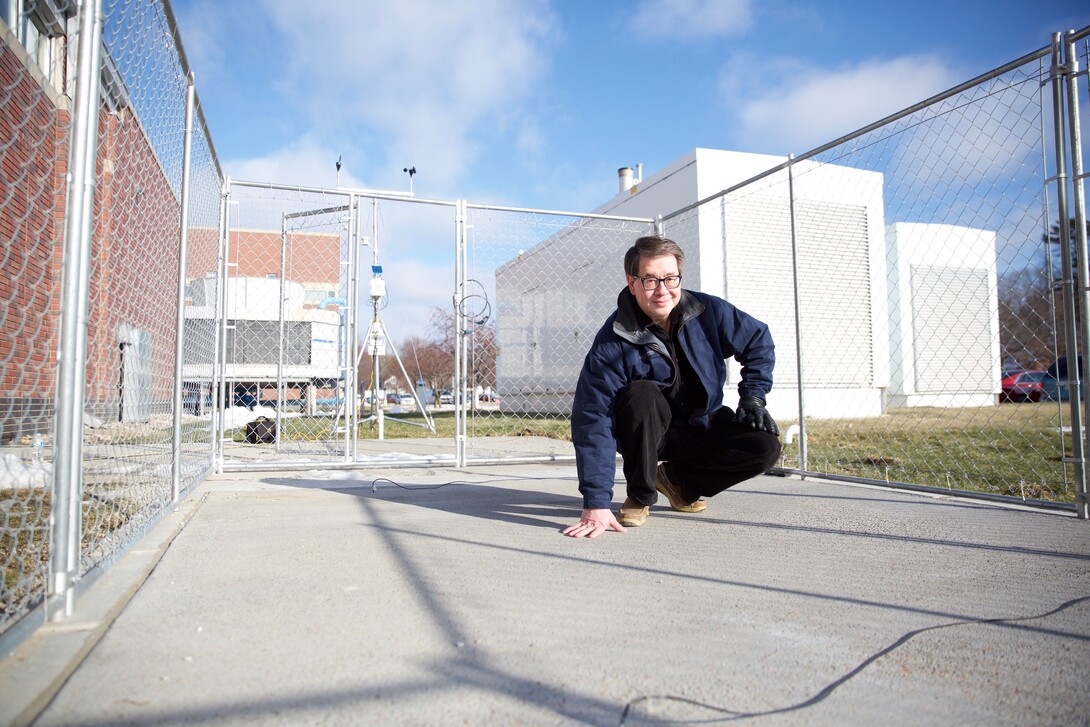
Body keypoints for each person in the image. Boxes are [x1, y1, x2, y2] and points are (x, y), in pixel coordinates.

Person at [563, 235, 781, 538]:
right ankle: (640, 494)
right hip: (649, 435)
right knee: (641, 395)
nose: (662, 290)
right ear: (632, 283)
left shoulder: (708, 311)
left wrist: (753, 398)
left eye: (670, 278)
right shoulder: (613, 340)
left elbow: (758, 340)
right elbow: (593, 418)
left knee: (765, 446)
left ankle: (679, 481)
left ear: (679, 277)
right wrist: (596, 502)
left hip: (702, 424)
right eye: (650, 280)